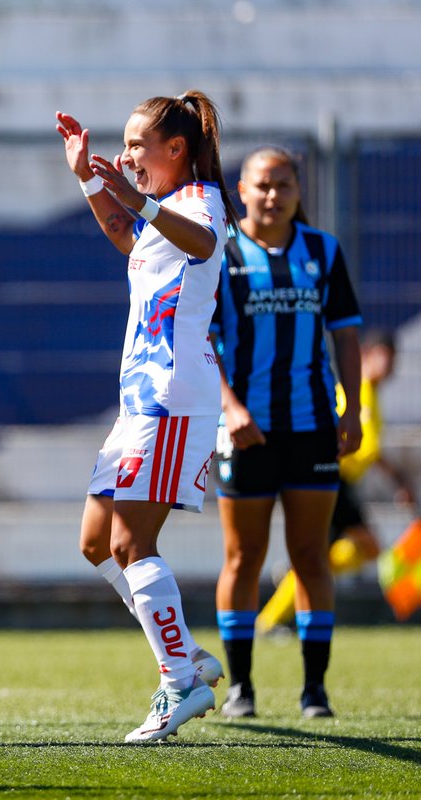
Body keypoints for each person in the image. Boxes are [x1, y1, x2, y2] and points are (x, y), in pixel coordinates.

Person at [56, 91, 238, 742]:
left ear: (176, 150)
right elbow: (123, 234)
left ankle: (179, 681)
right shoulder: (159, 214)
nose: (127, 154)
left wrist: (138, 201)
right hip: (141, 396)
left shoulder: (199, 201)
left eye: (137, 144)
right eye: (126, 143)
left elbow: (204, 238)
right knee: (96, 542)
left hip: (171, 397)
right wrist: (84, 174)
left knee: (133, 543)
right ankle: (184, 653)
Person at [211, 145, 364, 719]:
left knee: (310, 555)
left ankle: (314, 690)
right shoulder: (221, 253)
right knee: (242, 557)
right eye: (261, 185)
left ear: (300, 191)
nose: (272, 195)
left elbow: (346, 335)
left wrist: (349, 412)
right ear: (242, 191)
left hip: (311, 428)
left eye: (283, 185)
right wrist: (229, 408)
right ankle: (241, 689)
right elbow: (203, 341)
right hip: (246, 431)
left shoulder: (323, 251)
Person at [255, 329, 417, 634]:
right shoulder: (354, 395)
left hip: (342, 486)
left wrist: (397, 480)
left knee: (360, 550)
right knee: (352, 551)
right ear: (368, 356)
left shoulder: (371, 396)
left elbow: (369, 448)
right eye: (387, 358)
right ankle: (268, 621)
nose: (391, 368)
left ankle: (292, 580)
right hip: (331, 481)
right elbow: (334, 436)